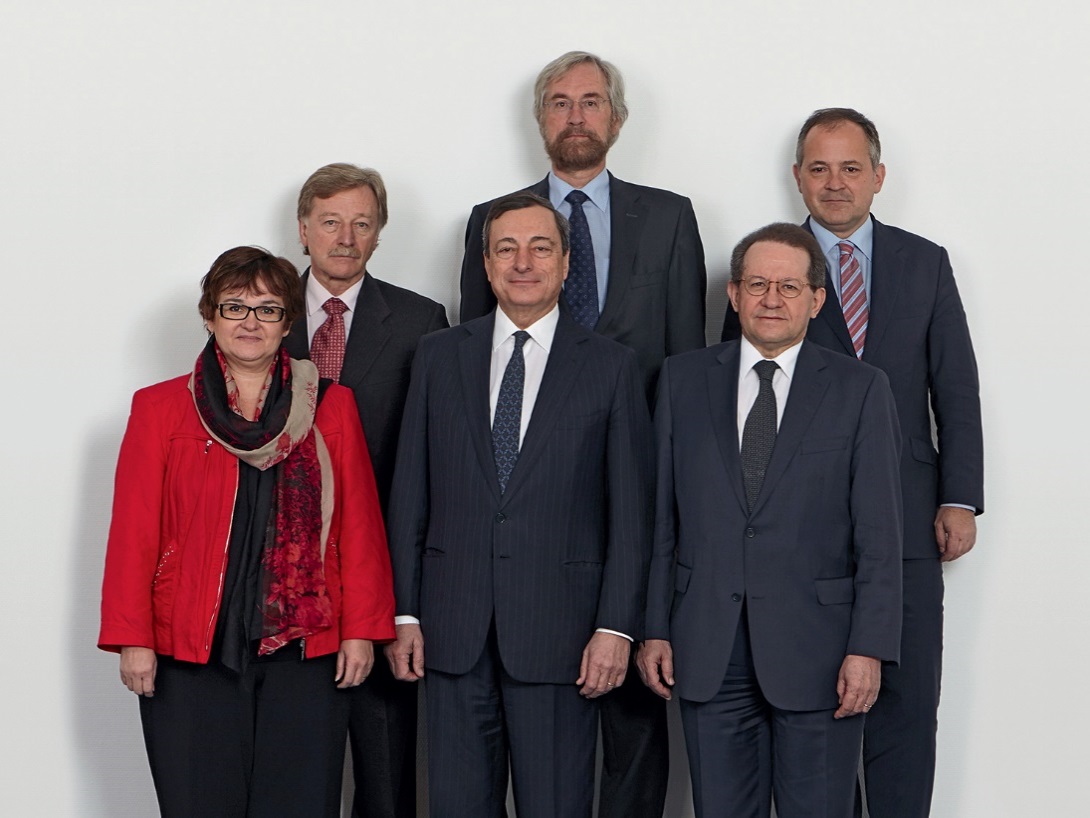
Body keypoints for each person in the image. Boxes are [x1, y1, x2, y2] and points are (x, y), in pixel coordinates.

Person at [459, 51, 705, 816]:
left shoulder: (669, 218)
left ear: (617, 120)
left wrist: (675, 485)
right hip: (530, 493)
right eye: (560, 102)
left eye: (591, 102)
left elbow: (688, 360)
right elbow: (479, 358)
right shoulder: (494, 222)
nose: (576, 116)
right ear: (541, 119)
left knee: (632, 706)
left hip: (638, 481)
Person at [720, 109, 984, 817]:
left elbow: (954, 387)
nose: (834, 183)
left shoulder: (924, 263)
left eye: (850, 168)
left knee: (905, 703)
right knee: (812, 706)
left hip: (908, 519)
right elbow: (734, 394)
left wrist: (959, 496)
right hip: (797, 532)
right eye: (819, 168)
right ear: (797, 177)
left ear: (878, 176)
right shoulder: (769, 268)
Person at [98, 246, 395, 817]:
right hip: (190, 648)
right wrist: (133, 637)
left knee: (299, 804)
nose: (250, 322)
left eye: (267, 309)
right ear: (210, 317)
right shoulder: (160, 408)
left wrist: (362, 630)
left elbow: (359, 525)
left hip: (305, 648)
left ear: (287, 323)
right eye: (234, 307)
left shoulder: (331, 406)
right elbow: (134, 533)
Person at [385, 192, 653, 818]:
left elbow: (630, 515)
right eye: (506, 248)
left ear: (566, 263)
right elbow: (410, 493)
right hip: (451, 632)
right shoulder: (438, 356)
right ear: (486, 264)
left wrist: (616, 627)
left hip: (564, 637)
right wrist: (404, 613)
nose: (523, 263)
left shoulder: (612, 367)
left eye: (540, 248)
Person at [640, 223, 903, 817]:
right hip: (708, 647)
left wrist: (869, 648)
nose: (772, 299)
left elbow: (880, 535)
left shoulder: (861, 390)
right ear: (734, 295)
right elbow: (660, 522)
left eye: (789, 287)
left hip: (822, 653)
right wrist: (654, 627)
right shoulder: (682, 380)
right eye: (757, 284)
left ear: (817, 299)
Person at [283, 163, 449, 818]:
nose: (346, 238)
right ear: (303, 230)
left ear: (379, 233)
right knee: (293, 773)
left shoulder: (420, 320)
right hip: (282, 578)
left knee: (385, 772)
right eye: (330, 222)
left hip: (381, 570)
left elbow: (435, 456)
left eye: (362, 223)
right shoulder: (260, 313)